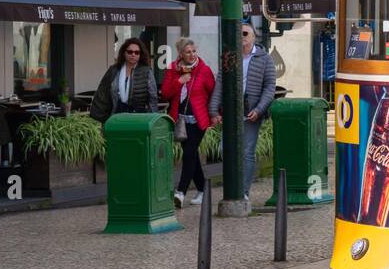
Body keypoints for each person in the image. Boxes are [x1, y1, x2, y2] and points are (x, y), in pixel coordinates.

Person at [210, 22, 277, 203]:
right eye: (239, 34)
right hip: (231, 112)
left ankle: (244, 192)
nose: (242, 38)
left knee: (247, 152)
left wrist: (260, 108)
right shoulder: (229, 57)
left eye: (245, 34)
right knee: (226, 149)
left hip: (251, 113)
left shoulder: (264, 58)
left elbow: (270, 86)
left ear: (254, 37)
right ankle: (234, 186)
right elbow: (220, 83)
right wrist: (213, 109)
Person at [161, 37, 216, 208]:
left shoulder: (204, 70)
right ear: (181, 54)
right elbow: (165, 93)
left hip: (199, 119)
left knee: (189, 153)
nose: (192, 55)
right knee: (192, 156)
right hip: (180, 121)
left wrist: (216, 114)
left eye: (193, 51)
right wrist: (179, 81)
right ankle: (202, 189)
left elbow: (214, 93)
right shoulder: (172, 69)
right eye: (188, 52)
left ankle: (180, 192)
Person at [89, 38, 158, 122]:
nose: (133, 54)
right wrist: (99, 118)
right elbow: (102, 95)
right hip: (116, 116)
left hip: (139, 118)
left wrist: (152, 121)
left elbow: (152, 98)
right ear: (124, 53)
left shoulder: (147, 72)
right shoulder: (114, 70)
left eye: (137, 52)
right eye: (130, 52)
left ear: (140, 55)